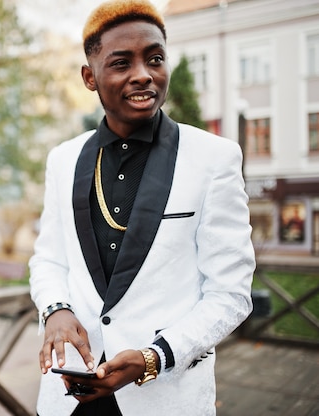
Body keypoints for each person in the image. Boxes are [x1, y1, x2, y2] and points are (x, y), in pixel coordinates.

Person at [28, 1, 256, 415]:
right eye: (121, 63)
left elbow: (231, 294)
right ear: (89, 77)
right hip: (70, 393)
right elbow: (48, 259)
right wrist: (55, 310)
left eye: (155, 58)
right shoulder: (62, 159)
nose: (143, 74)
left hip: (164, 396)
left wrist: (155, 357)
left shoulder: (215, 158)